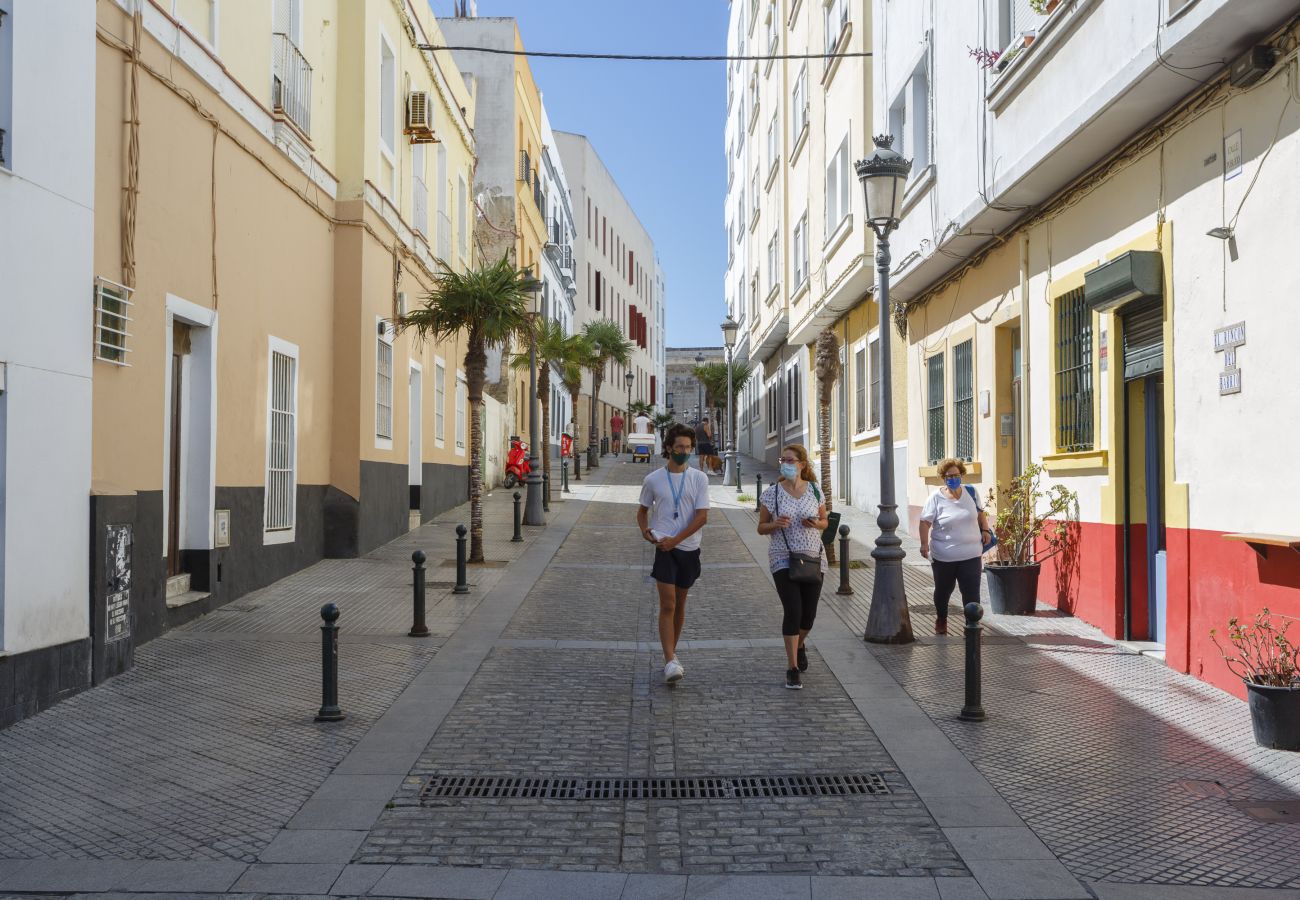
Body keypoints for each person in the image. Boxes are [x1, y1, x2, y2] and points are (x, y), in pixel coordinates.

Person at [636, 424, 710, 684]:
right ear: (668, 447)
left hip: (688, 548)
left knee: (680, 603)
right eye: (679, 447)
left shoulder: (699, 479)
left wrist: (677, 540)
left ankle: (672, 654)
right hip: (663, 548)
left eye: (688, 447)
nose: (684, 452)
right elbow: (642, 512)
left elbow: (702, 517)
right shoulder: (653, 479)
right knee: (667, 603)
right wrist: (647, 531)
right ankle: (669, 660)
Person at [756, 445, 828, 690]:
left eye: (790, 460)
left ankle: (799, 644)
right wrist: (775, 524)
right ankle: (792, 667)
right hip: (783, 558)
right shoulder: (772, 493)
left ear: (802, 464)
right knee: (793, 611)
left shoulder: (815, 491)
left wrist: (815, 523)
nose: (785, 463)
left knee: (809, 615)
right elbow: (761, 527)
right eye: (783, 459)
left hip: (812, 558)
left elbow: (825, 521)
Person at [919, 457, 991, 635]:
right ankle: (941, 618)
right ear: (943, 478)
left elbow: (980, 514)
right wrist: (923, 545)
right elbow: (924, 523)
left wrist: (986, 530)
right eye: (949, 476)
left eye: (956, 475)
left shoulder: (971, 492)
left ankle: (971, 627)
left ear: (962, 475)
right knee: (943, 591)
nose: (953, 478)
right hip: (944, 556)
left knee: (972, 593)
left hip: (972, 554)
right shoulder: (935, 498)